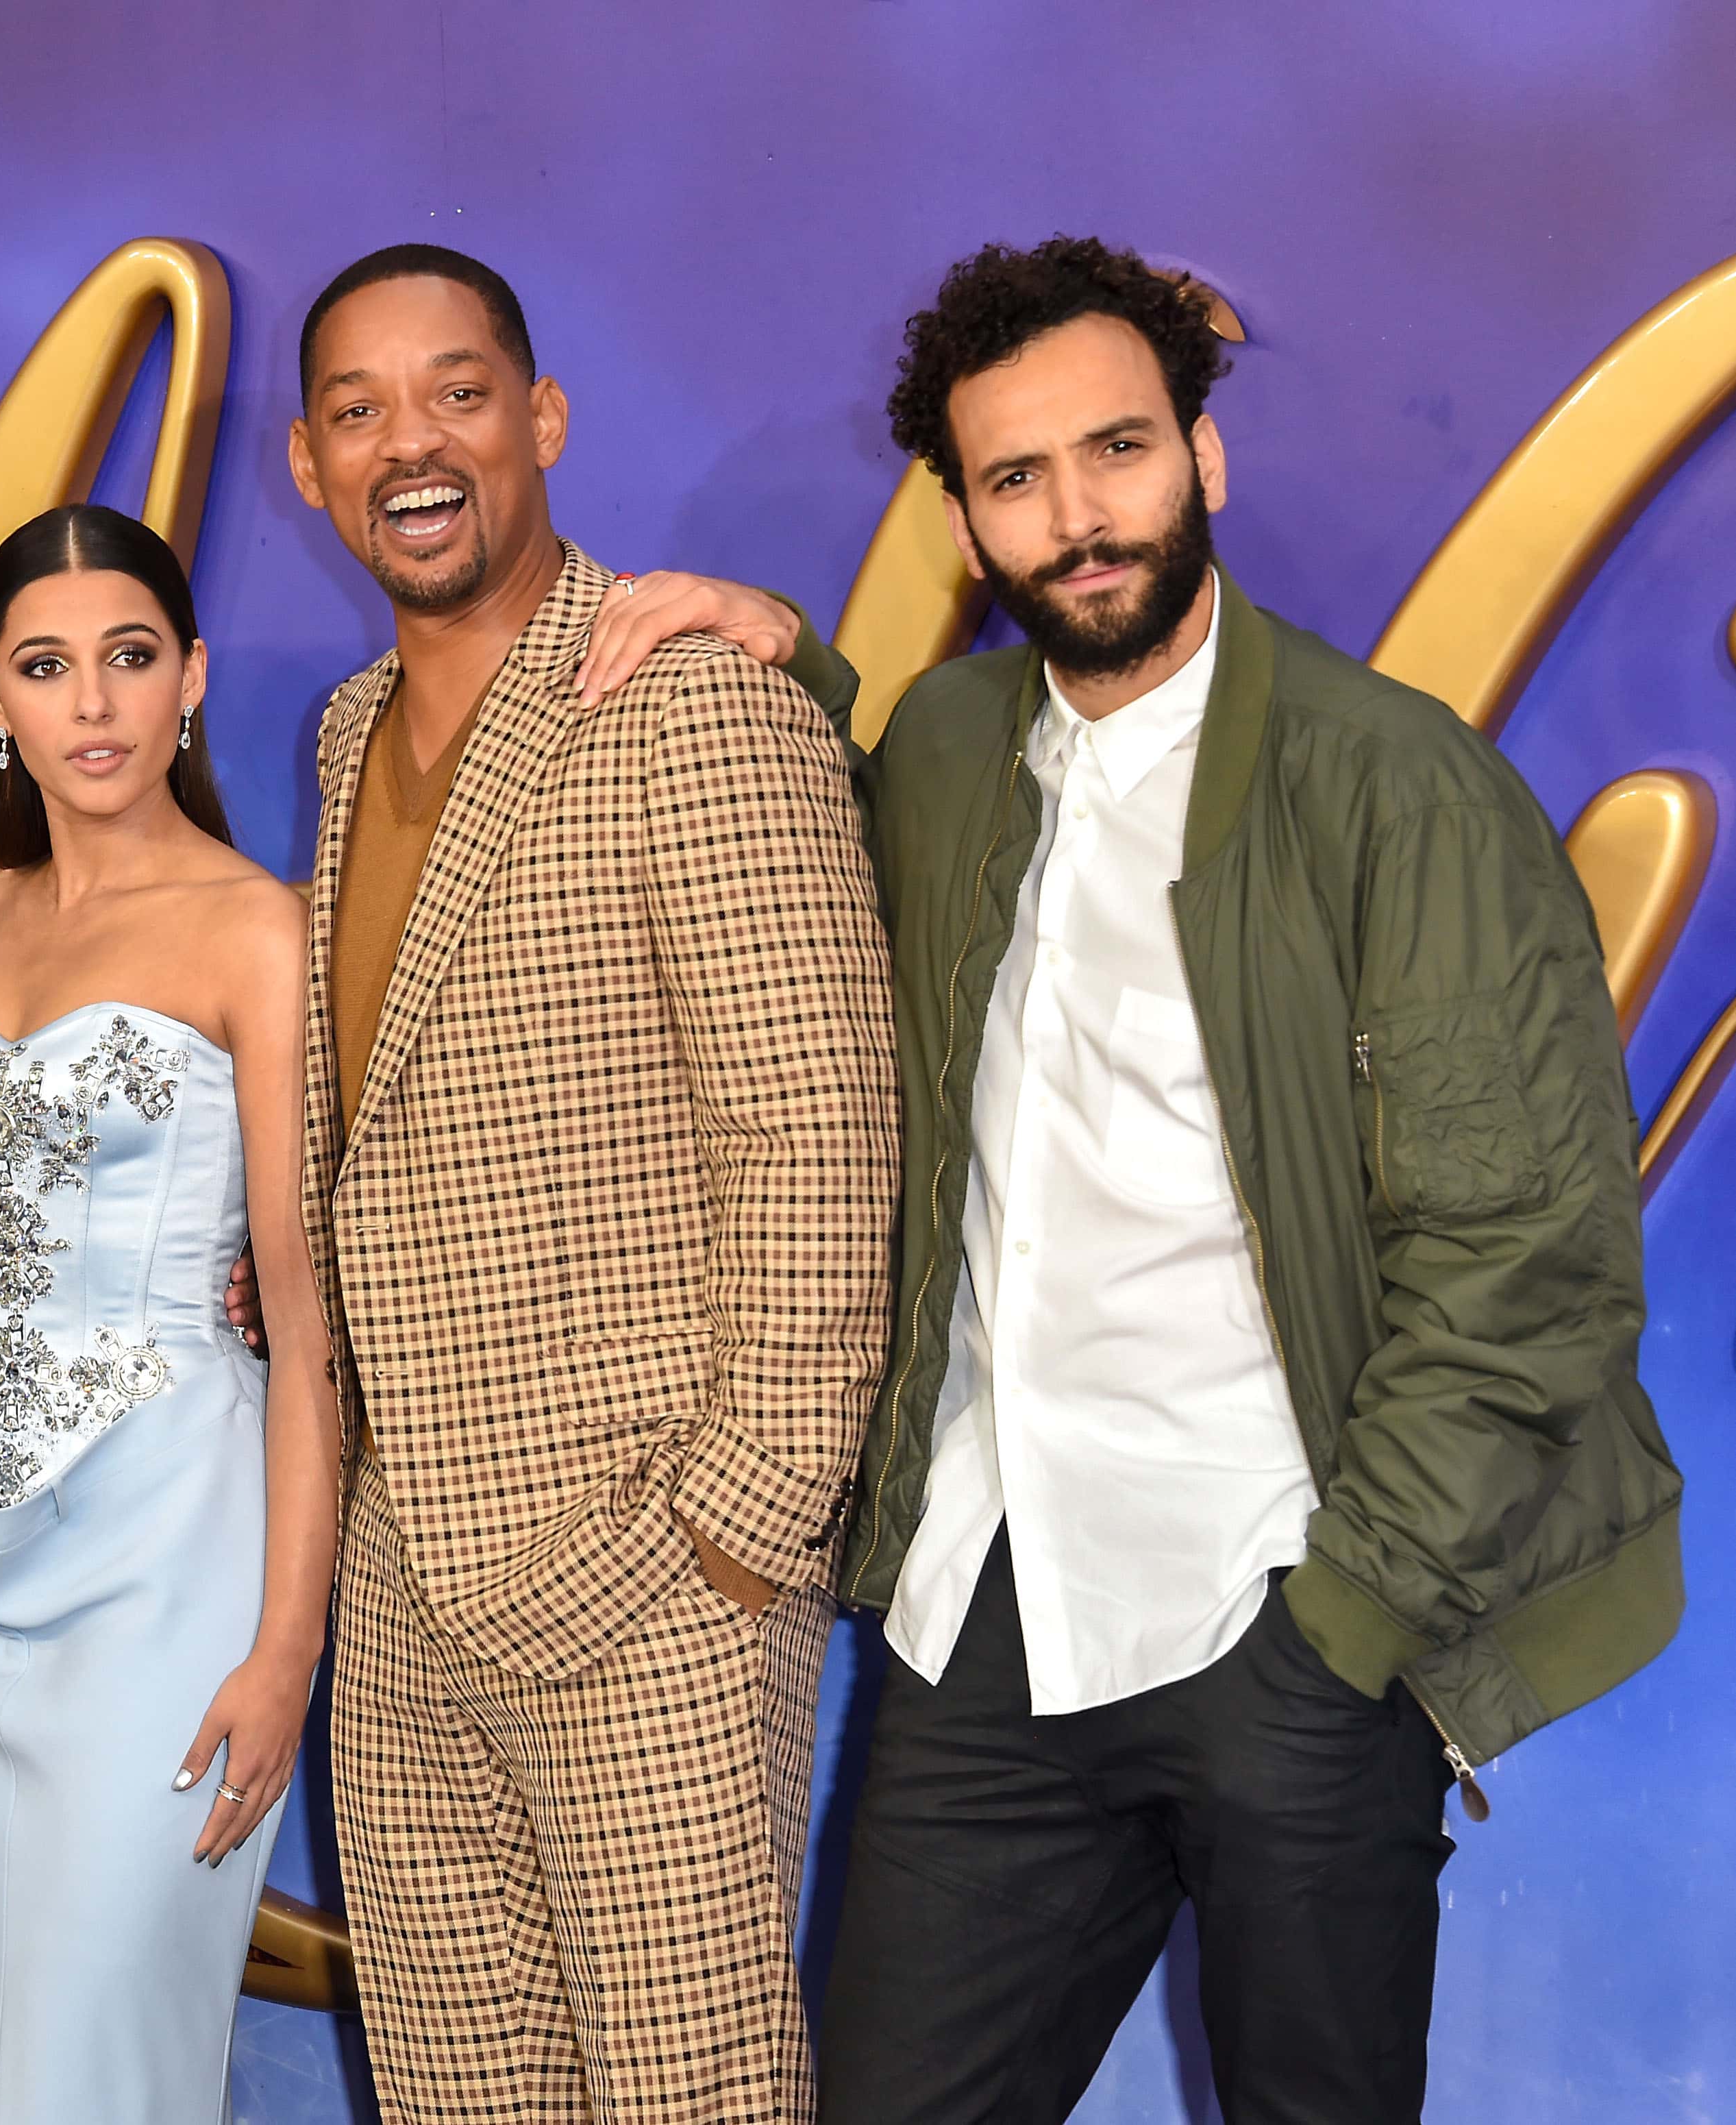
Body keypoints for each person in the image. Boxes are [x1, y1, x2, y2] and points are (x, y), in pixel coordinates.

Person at [586, 236, 1683, 2124]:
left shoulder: (1396, 787)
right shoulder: (946, 750)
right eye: (1016, 477)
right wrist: (779, 647)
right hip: (993, 1615)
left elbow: (1529, 1263)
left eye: (1118, 450)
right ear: (963, 520)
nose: (1078, 516)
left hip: (1283, 1604)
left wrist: (1349, 1622)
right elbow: (831, 884)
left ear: (1203, 457)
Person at [287, 243, 902, 2122]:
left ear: (540, 419)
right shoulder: (343, 734)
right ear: (309, 466)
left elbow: (818, 1135)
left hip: (650, 1573)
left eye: (458, 393)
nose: (411, 445)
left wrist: (732, 1531)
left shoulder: (695, 701)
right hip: (400, 1584)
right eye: (359, 410)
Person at [0, 502, 339, 2124]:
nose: (91, 703)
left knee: (98, 2048)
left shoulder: (257, 926)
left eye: (129, 658)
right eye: (46, 665)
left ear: (190, 678)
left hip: (166, 1550)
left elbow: (304, 1320)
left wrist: (285, 1651)